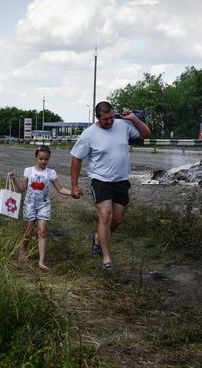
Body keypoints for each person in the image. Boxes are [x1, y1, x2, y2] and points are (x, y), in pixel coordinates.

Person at [70, 101, 151, 270]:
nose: (109, 122)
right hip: (100, 180)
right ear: (97, 117)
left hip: (121, 180)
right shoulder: (88, 134)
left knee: (117, 219)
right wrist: (74, 185)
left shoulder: (122, 124)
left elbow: (146, 134)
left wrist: (134, 118)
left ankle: (98, 238)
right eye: (105, 119)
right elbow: (76, 159)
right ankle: (106, 259)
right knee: (105, 215)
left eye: (111, 117)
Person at [9, 145, 72, 271]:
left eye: (46, 159)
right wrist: (15, 179)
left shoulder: (51, 173)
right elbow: (22, 189)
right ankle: (23, 250)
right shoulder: (29, 171)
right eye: (41, 159)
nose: (43, 162)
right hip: (30, 204)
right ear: (36, 157)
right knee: (28, 232)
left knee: (42, 231)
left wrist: (72, 193)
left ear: (49, 159)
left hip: (44, 205)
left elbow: (60, 189)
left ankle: (41, 262)